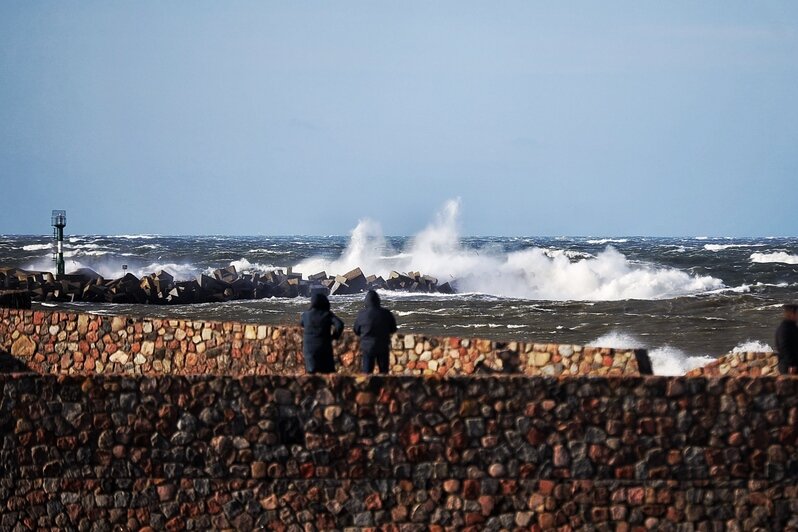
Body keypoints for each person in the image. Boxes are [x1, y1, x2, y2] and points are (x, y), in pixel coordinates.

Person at [353, 290, 397, 374]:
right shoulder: (386, 313)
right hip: (382, 345)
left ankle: (368, 386)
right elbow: (393, 329)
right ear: (378, 301)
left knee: (367, 372)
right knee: (384, 371)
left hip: (367, 346)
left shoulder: (361, 314)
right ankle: (383, 386)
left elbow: (356, 330)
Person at [300, 292, 344, 374]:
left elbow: (302, 323)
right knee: (328, 373)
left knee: (312, 373)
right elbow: (339, 324)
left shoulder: (306, 315)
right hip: (324, 347)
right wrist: (334, 336)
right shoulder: (327, 314)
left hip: (309, 349)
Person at [775, 303, 798, 375]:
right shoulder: (785, 329)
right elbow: (784, 347)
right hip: (788, 367)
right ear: (792, 314)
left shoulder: (792, 327)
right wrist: (792, 364)